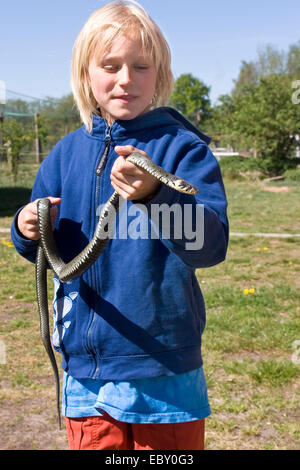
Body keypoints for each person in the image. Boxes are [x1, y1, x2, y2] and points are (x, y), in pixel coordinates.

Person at [11, 1, 229, 450]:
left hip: (164, 369)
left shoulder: (183, 151)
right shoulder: (63, 155)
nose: (126, 78)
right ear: (85, 73)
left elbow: (209, 246)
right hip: (86, 374)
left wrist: (156, 195)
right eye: (110, 66)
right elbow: (48, 253)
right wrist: (26, 227)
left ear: (159, 74)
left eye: (140, 66)